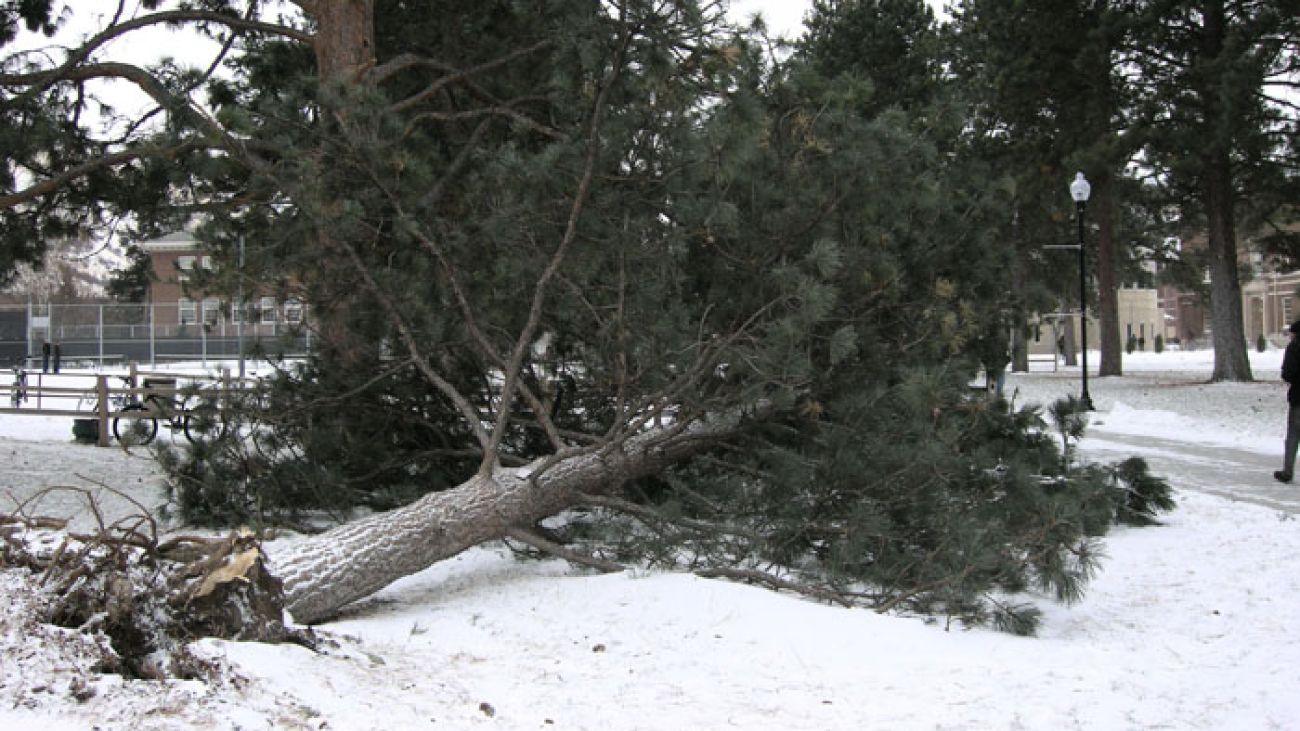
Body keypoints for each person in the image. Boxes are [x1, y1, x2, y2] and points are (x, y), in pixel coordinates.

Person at [1275, 321, 1300, 483]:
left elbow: (1288, 373)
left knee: (1293, 435)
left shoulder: (1294, 347)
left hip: (1298, 397)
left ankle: (1287, 471)